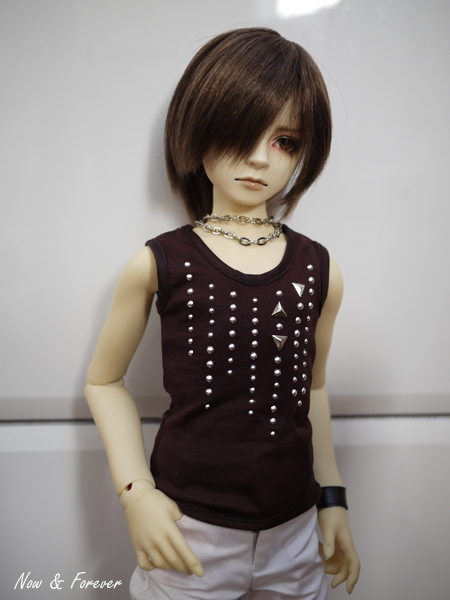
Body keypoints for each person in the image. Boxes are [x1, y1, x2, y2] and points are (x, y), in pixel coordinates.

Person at [85, 27, 360, 600]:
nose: (259, 158)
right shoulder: (160, 262)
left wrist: (331, 498)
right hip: (189, 533)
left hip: (296, 532)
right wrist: (137, 492)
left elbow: (312, 389)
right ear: (199, 128)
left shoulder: (320, 269)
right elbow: (103, 381)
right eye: (241, 132)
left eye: (285, 141)